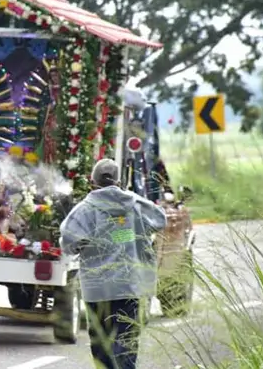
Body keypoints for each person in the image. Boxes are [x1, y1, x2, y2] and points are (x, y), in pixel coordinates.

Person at [60, 158, 167, 369]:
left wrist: (86, 243)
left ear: (93, 181)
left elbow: (68, 241)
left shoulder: (85, 209)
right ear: (119, 181)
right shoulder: (134, 204)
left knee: (101, 343)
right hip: (129, 286)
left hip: (97, 289)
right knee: (125, 341)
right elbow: (160, 219)